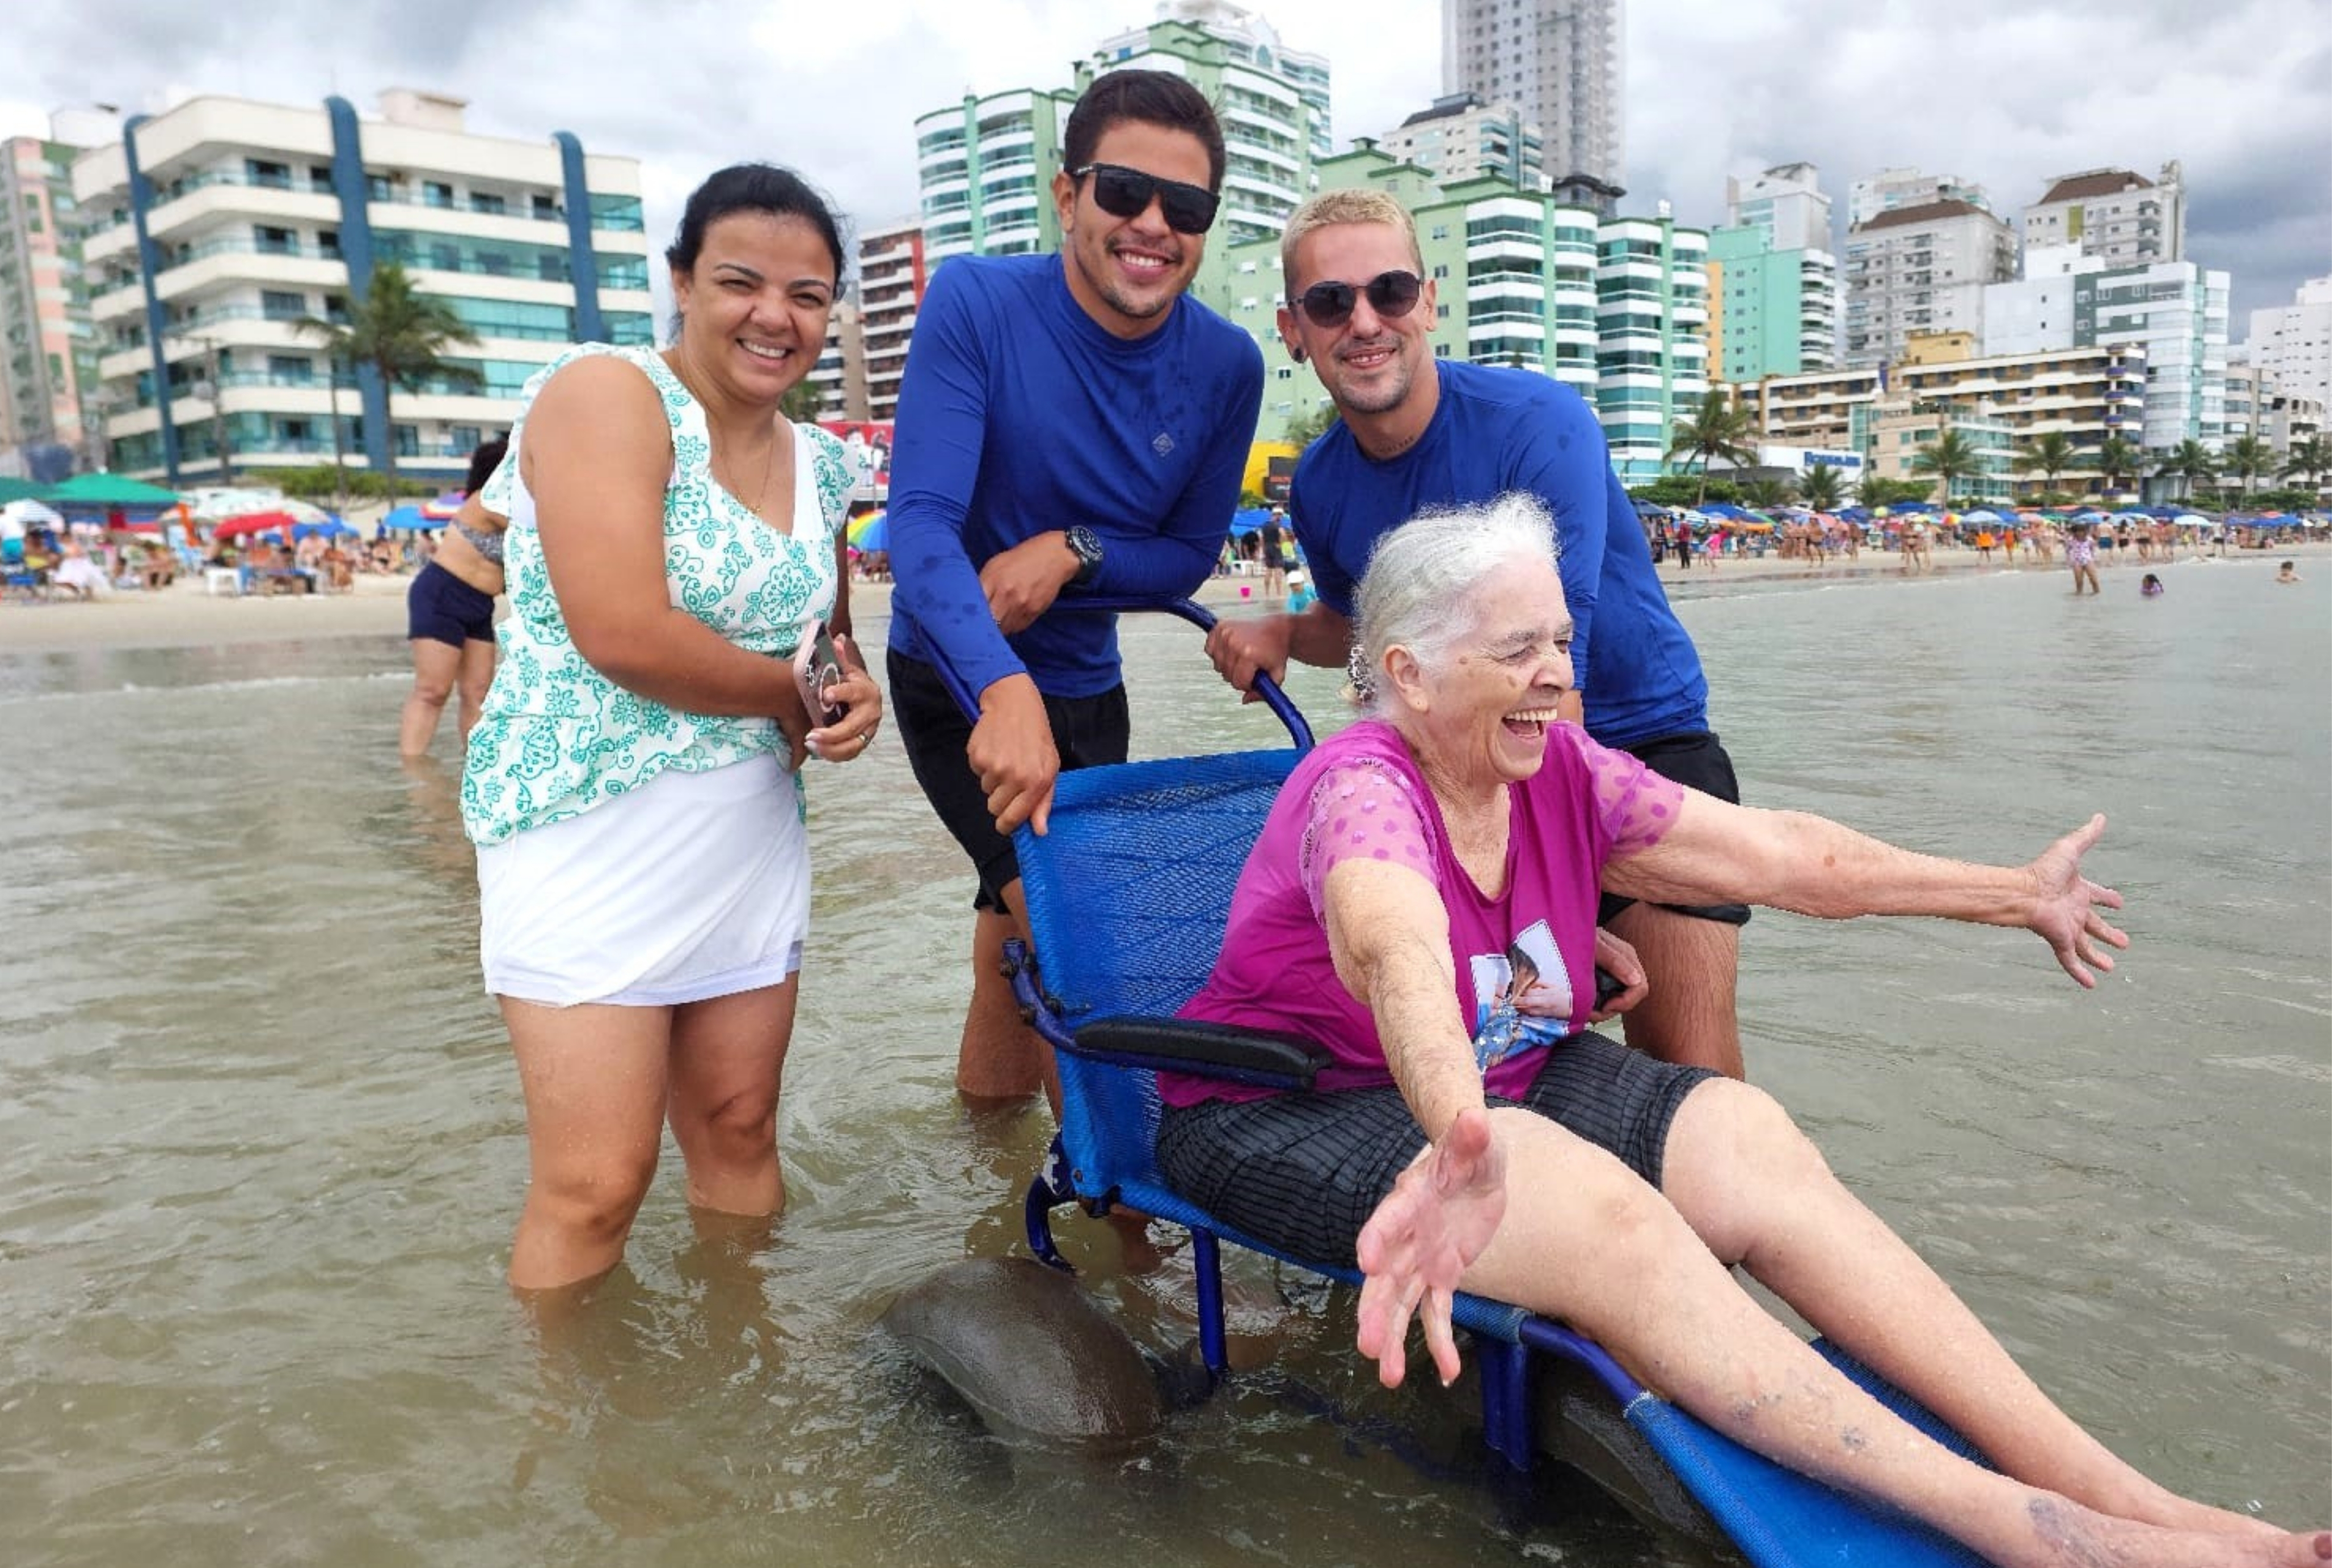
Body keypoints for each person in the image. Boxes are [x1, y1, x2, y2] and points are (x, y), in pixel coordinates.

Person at [1160, 500, 2327, 1568]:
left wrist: (2015, 893)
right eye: (1516, 649)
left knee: (1747, 1137)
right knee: (1605, 1211)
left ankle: (2127, 1495)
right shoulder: (1359, 788)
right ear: (1407, 674)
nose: (1555, 674)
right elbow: (1394, 948)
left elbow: (1784, 856)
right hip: (1288, 1105)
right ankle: (2036, 1531)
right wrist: (1461, 1130)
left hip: (1504, 1071)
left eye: (1560, 640)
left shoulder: (1557, 767)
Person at [1203, 188, 1751, 1079]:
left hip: (1638, 743)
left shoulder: (1539, 425)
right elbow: (1359, 630)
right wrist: (1282, 631)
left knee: (1690, 1067)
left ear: (1427, 302)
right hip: (1468, 781)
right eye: (1331, 302)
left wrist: (1556, 899)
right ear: (1293, 329)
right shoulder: (1322, 485)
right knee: (1497, 1074)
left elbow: (1554, 671)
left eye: (1388, 291)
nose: (1364, 322)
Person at [459, 162, 883, 1292]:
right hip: (579, 820)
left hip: (746, 834)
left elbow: (824, 641)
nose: (774, 316)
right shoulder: (605, 394)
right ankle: (565, 1402)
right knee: (595, 1182)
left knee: (740, 1131)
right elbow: (623, 632)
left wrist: (854, 696)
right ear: (682, 282)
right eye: (741, 282)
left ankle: (739, 1366)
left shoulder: (822, 461)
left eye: (807, 295)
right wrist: (794, 693)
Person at [884, 69, 1263, 1106]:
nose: (1152, 226)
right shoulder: (974, 301)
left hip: (1090, 691)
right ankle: (1111, 1200)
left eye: (1185, 207)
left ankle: (980, 1162)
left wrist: (1073, 550)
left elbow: (1185, 555)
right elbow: (919, 525)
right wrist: (1000, 687)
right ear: (1066, 195)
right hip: (955, 675)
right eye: (1123, 192)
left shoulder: (1228, 366)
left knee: (1009, 938)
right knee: (1079, 950)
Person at [400, 435, 512, 757]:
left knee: (478, 692)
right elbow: (536, 530)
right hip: (443, 593)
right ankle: (413, 769)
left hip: (480, 604)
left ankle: (476, 765)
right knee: (433, 691)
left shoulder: (517, 504)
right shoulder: (486, 500)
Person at [2067, 523, 2101, 596]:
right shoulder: (2071, 540)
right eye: (2078, 531)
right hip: (2076, 561)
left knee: (2093, 579)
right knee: (2079, 580)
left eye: (2082, 531)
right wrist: (2069, 560)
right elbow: (2068, 550)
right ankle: (2079, 594)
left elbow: (2092, 549)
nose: (2080, 533)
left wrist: (2092, 558)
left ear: (2085, 532)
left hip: (2088, 560)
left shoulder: (2089, 539)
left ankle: (2097, 593)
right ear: (2075, 532)